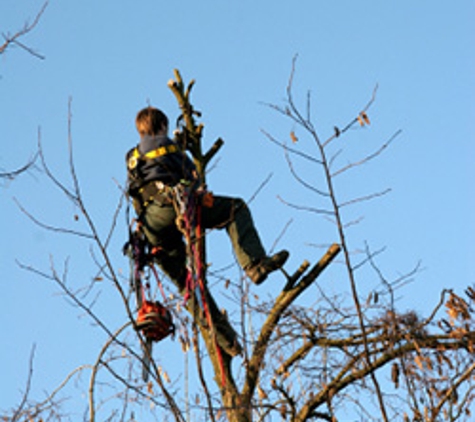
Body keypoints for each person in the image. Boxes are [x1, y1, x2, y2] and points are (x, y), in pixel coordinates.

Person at [126, 106, 288, 292]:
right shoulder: (168, 144)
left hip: (151, 222)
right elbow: (193, 177)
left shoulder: (132, 157)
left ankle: (193, 300)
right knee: (235, 208)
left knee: (181, 273)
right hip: (173, 205)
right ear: (163, 124)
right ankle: (255, 265)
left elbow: (134, 193)